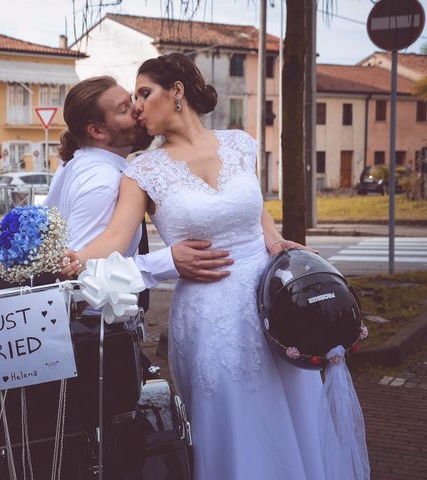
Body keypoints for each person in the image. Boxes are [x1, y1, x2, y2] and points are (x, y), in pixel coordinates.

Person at [64, 54, 327, 480]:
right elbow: (114, 239)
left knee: (292, 414)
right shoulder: (142, 171)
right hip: (209, 317)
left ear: (178, 92)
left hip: (269, 304)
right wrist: (72, 260)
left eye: (144, 94)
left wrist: (277, 242)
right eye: (132, 99)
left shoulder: (241, 144)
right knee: (234, 425)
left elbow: (257, 215)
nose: (137, 107)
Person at [45, 75, 235, 290]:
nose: (138, 109)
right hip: (95, 321)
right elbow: (80, 277)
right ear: (97, 131)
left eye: (132, 100)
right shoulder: (105, 181)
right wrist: (168, 262)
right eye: (124, 109)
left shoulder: (75, 162)